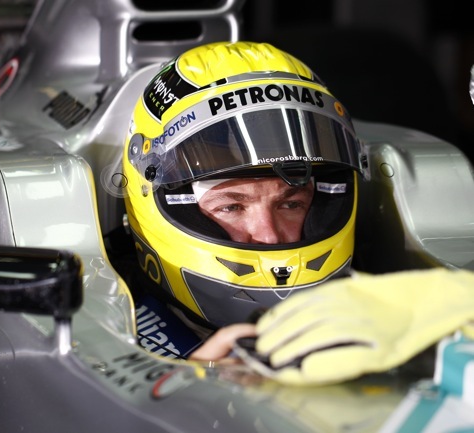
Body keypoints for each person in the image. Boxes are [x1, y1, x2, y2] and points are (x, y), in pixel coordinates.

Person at [114, 40, 474, 385]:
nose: (269, 235)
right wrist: (190, 391)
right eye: (232, 206)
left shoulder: (391, 308)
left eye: (290, 204)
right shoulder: (105, 330)